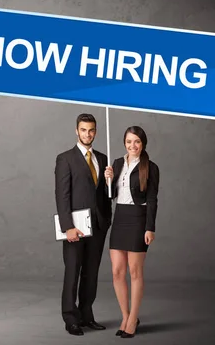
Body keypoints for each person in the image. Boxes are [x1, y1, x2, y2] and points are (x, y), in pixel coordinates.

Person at [54, 113, 113, 336]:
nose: (88, 134)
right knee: (73, 272)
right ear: (76, 131)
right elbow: (62, 195)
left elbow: (109, 194)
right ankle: (70, 318)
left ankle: (87, 315)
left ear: (95, 131)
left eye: (91, 130)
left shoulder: (103, 158)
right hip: (75, 227)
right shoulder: (65, 158)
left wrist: (110, 181)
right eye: (83, 130)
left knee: (91, 273)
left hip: (97, 225)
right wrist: (67, 226)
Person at [104, 126, 160, 338]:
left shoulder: (150, 167)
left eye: (136, 141)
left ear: (143, 143)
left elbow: (153, 199)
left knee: (135, 272)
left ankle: (133, 319)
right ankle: (127, 316)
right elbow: (110, 196)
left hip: (138, 219)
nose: (133, 146)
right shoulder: (118, 163)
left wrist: (150, 227)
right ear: (124, 143)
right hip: (120, 218)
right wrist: (107, 179)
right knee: (117, 271)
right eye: (129, 141)